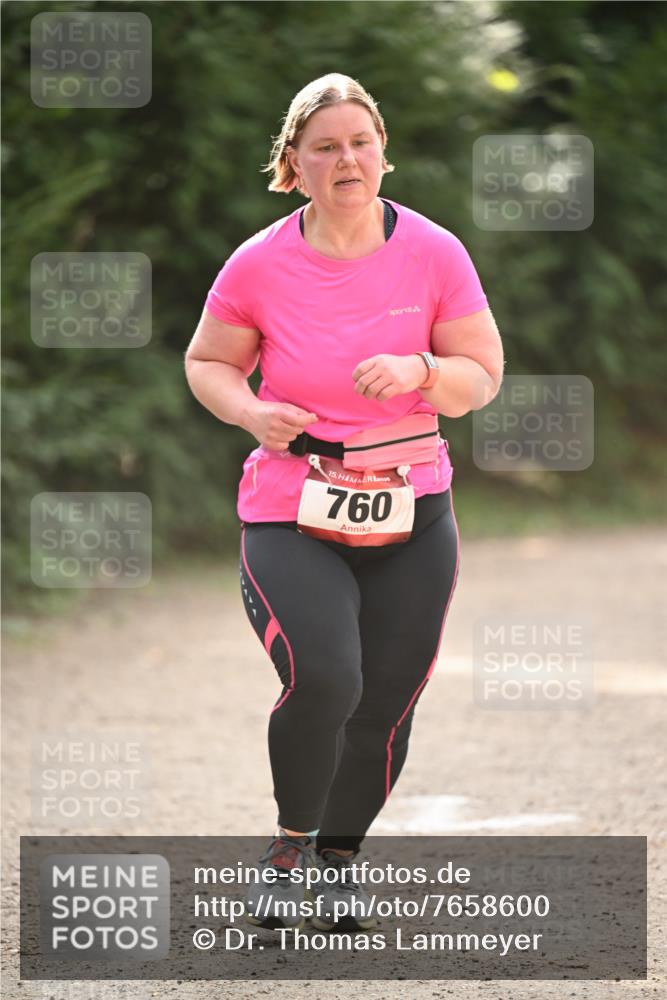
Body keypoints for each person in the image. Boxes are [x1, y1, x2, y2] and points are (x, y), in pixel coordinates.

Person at [185, 72, 503, 932]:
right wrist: (252, 410)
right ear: (293, 165)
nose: (345, 158)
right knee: (326, 676)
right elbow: (207, 362)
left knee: (386, 702)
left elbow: (481, 375)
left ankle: (338, 862)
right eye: (324, 146)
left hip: (413, 509)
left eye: (359, 142)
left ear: (384, 155)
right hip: (294, 508)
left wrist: (423, 371)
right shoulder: (258, 262)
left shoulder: (434, 253)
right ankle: (288, 850)